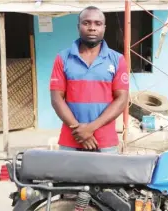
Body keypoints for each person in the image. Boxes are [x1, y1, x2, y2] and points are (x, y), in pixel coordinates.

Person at [49, 6, 129, 154]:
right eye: (86, 23)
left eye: (98, 23)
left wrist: (89, 129)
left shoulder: (117, 59)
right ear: (78, 26)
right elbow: (56, 99)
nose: (92, 28)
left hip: (105, 142)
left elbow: (122, 100)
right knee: (68, 178)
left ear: (104, 27)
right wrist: (81, 133)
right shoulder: (63, 58)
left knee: (106, 177)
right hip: (71, 140)